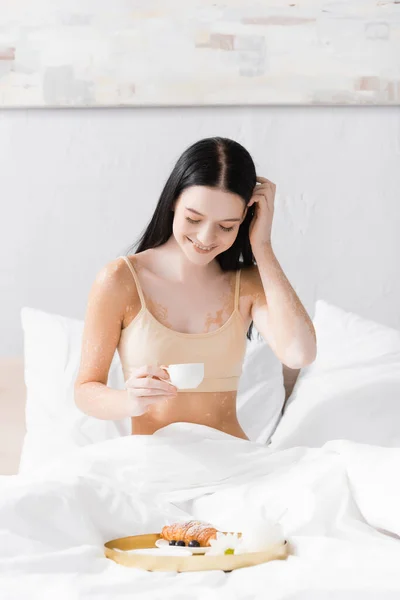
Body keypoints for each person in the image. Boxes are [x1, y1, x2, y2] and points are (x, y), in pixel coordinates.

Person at [74, 137, 317, 440]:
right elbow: (85, 390)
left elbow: (299, 354)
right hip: (152, 465)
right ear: (174, 201)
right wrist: (130, 400)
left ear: (245, 219)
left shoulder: (248, 283)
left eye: (227, 226)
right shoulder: (120, 280)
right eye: (193, 218)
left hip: (233, 461)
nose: (206, 237)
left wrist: (263, 246)